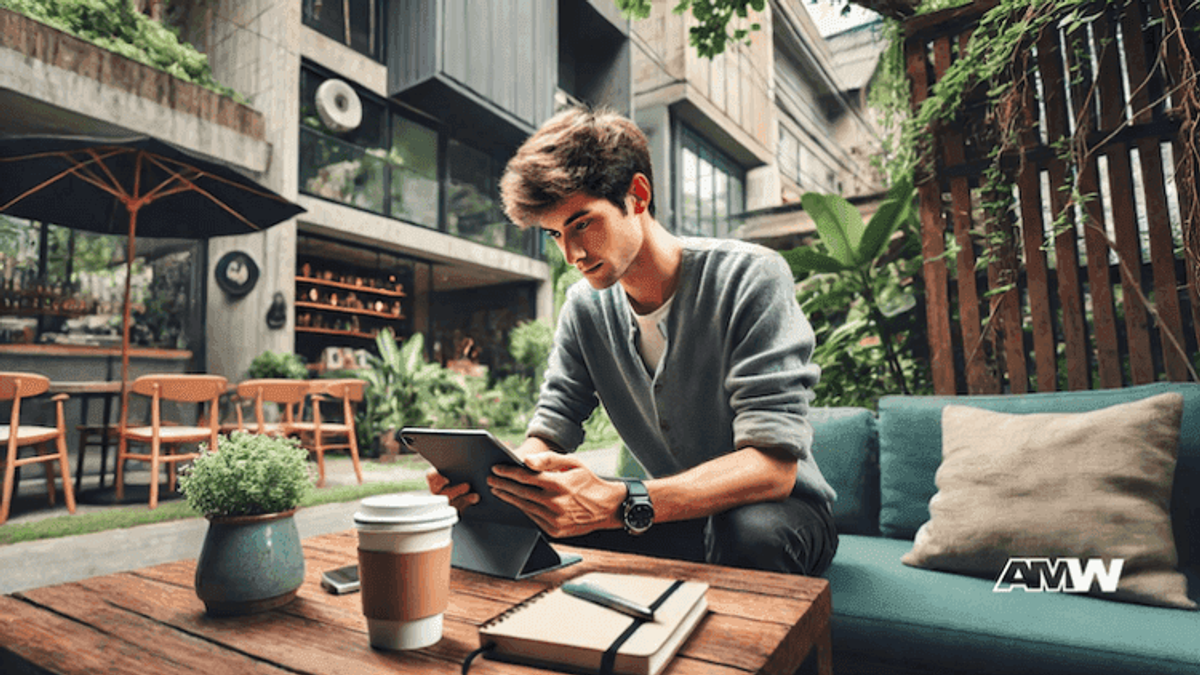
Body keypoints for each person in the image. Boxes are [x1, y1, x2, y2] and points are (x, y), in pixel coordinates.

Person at [426, 107, 837, 575]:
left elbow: (773, 468)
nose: (572, 255)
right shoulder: (584, 307)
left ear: (637, 195)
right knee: (533, 516)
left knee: (751, 533)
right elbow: (551, 427)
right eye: (555, 235)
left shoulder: (749, 276)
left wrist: (620, 500)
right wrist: (502, 483)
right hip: (674, 510)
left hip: (785, 514)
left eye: (583, 223)